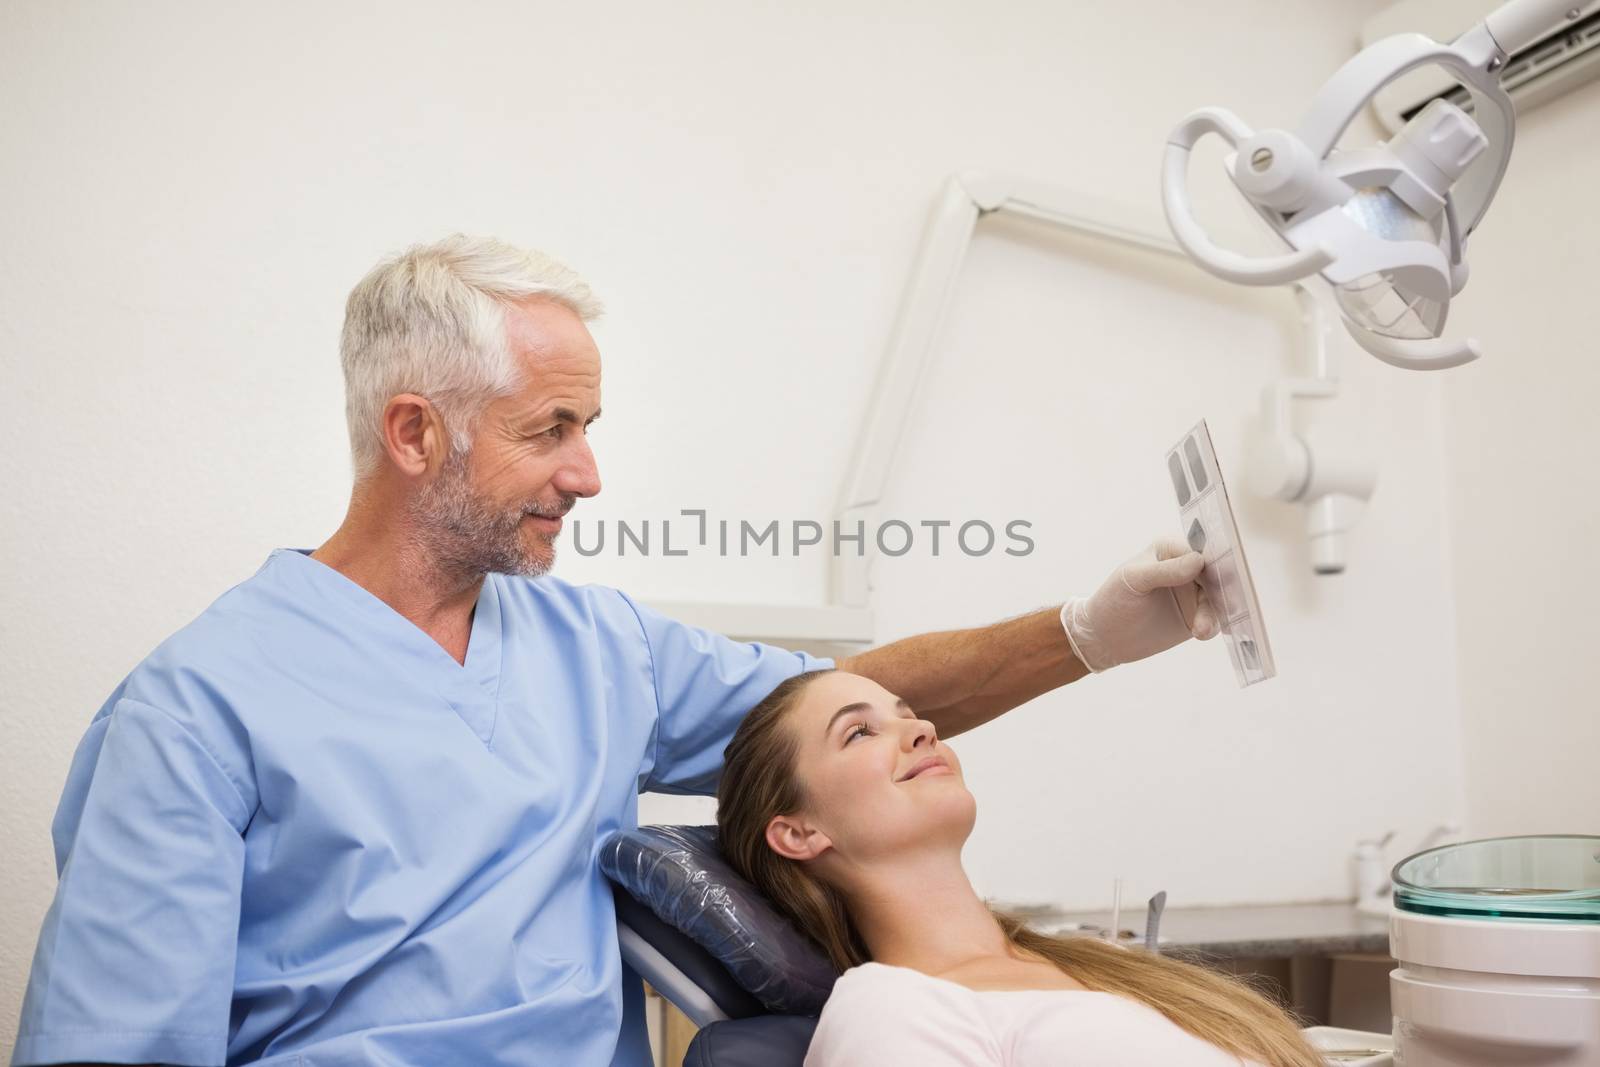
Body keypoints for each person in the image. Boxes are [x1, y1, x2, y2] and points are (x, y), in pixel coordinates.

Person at [12, 235, 1216, 1067]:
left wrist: (1090, 634)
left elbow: (850, 710)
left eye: (587, 427)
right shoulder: (193, 713)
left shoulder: (598, 646)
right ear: (416, 432)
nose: (588, 473)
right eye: (552, 430)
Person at [716, 668, 1327, 1067]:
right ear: (799, 833)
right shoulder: (891, 1008)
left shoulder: (1097, 964)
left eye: (908, 715)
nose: (922, 730)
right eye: (858, 733)